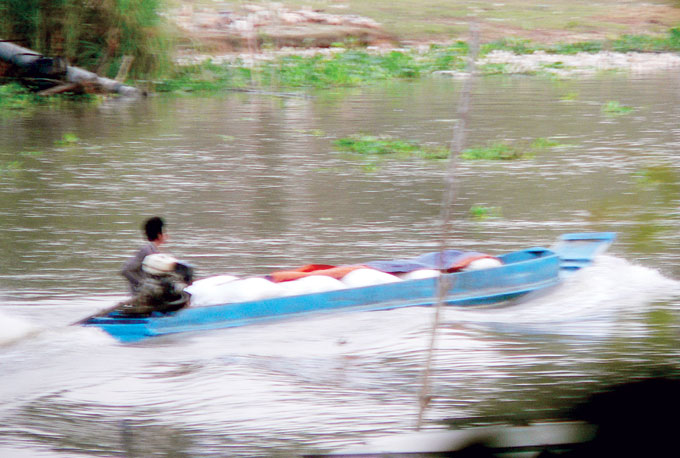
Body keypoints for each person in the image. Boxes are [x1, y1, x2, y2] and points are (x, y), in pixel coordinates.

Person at [121, 216, 168, 294]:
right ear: (159, 235)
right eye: (165, 232)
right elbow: (126, 270)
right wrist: (141, 285)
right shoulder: (146, 250)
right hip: (141, 296)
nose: (167, 235)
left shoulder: (156, 252)